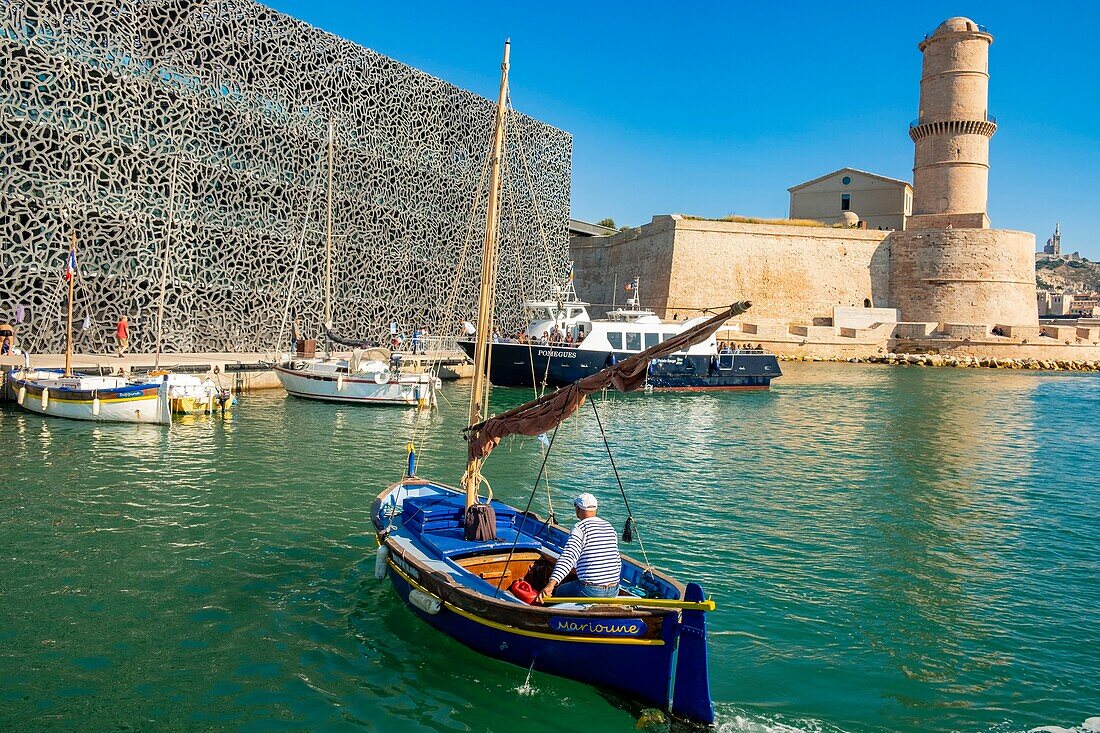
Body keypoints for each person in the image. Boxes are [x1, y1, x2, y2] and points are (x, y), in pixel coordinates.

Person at [538, 493, 621, 602]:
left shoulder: (580, 528)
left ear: (578, 509)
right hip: (613, 590)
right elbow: (616, 559)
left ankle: (555, 616)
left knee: (560, 591)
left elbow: (568, 558)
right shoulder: (609, 527)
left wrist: (550, 585)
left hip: (591, 591)